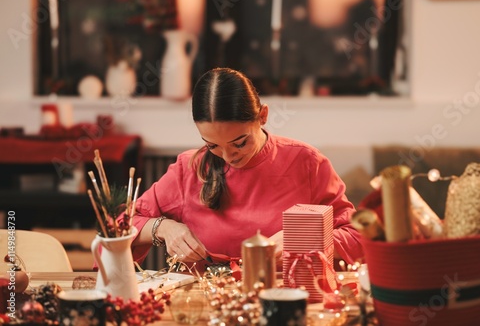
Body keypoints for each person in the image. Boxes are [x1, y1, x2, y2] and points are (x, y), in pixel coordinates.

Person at [130, 68, 363, 269]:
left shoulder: (307, 163)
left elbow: (357, 236)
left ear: (262, 116)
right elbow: (120, 228)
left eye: (240, 143)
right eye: (212, 145)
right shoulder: (188, 170)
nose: (228, 157)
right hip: (205, 305)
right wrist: (163, 228)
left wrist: (304, 239)